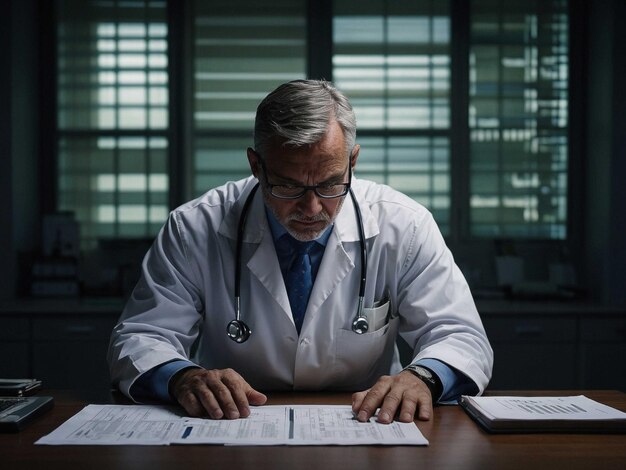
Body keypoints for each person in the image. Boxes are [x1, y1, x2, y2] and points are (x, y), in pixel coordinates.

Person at [108, 79, 493, 424]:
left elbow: (460, 335)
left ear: (352, 163)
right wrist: (182, 377)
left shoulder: (404, 226)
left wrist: (422, 377)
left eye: (329, 184)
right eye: (289, 187)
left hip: (366, 426)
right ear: (256, 166)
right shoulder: (194, 227)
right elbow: (142, 336)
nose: (311, 209)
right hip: (228, 425)